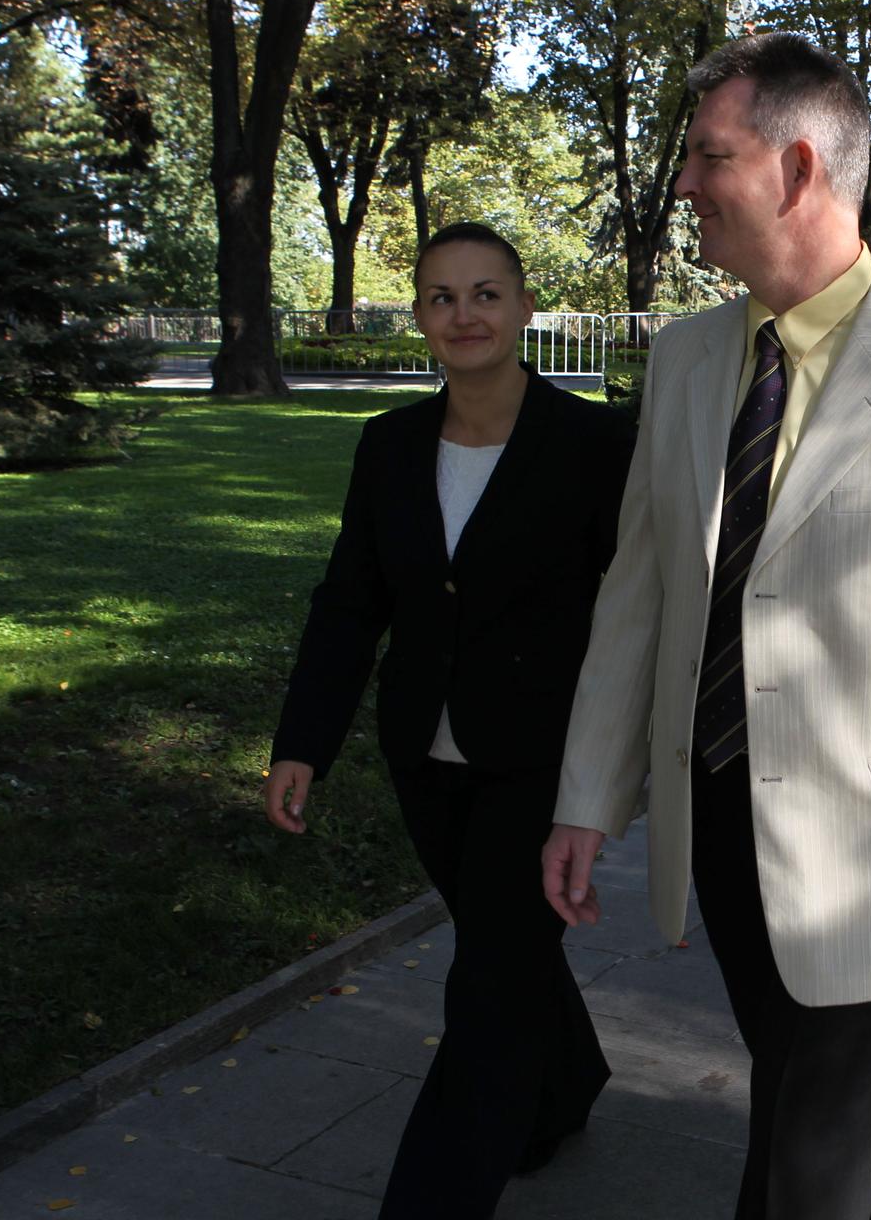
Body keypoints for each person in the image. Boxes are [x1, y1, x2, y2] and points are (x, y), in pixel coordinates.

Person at [543, 33, 871, 1220]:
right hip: (712, 807)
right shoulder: (682, 360)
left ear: (800, 166)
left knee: (806, 1138)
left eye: (710, 154)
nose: (684, 183)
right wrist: (587, 796)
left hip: (863, 842)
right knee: (807, 1072)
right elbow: (640, 591)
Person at [264, 222, 635, 1219]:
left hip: (542, 763)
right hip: (423, 754)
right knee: (500, 949)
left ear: (522, 307)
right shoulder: (387, 444)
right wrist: (303, 739)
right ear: (420, 316)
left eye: (483, 293)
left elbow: (632, 609)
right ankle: (565, 1084)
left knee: (487, 994)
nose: (462, 313)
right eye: (440, 296)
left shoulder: (596, 443)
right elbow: (351, 602)